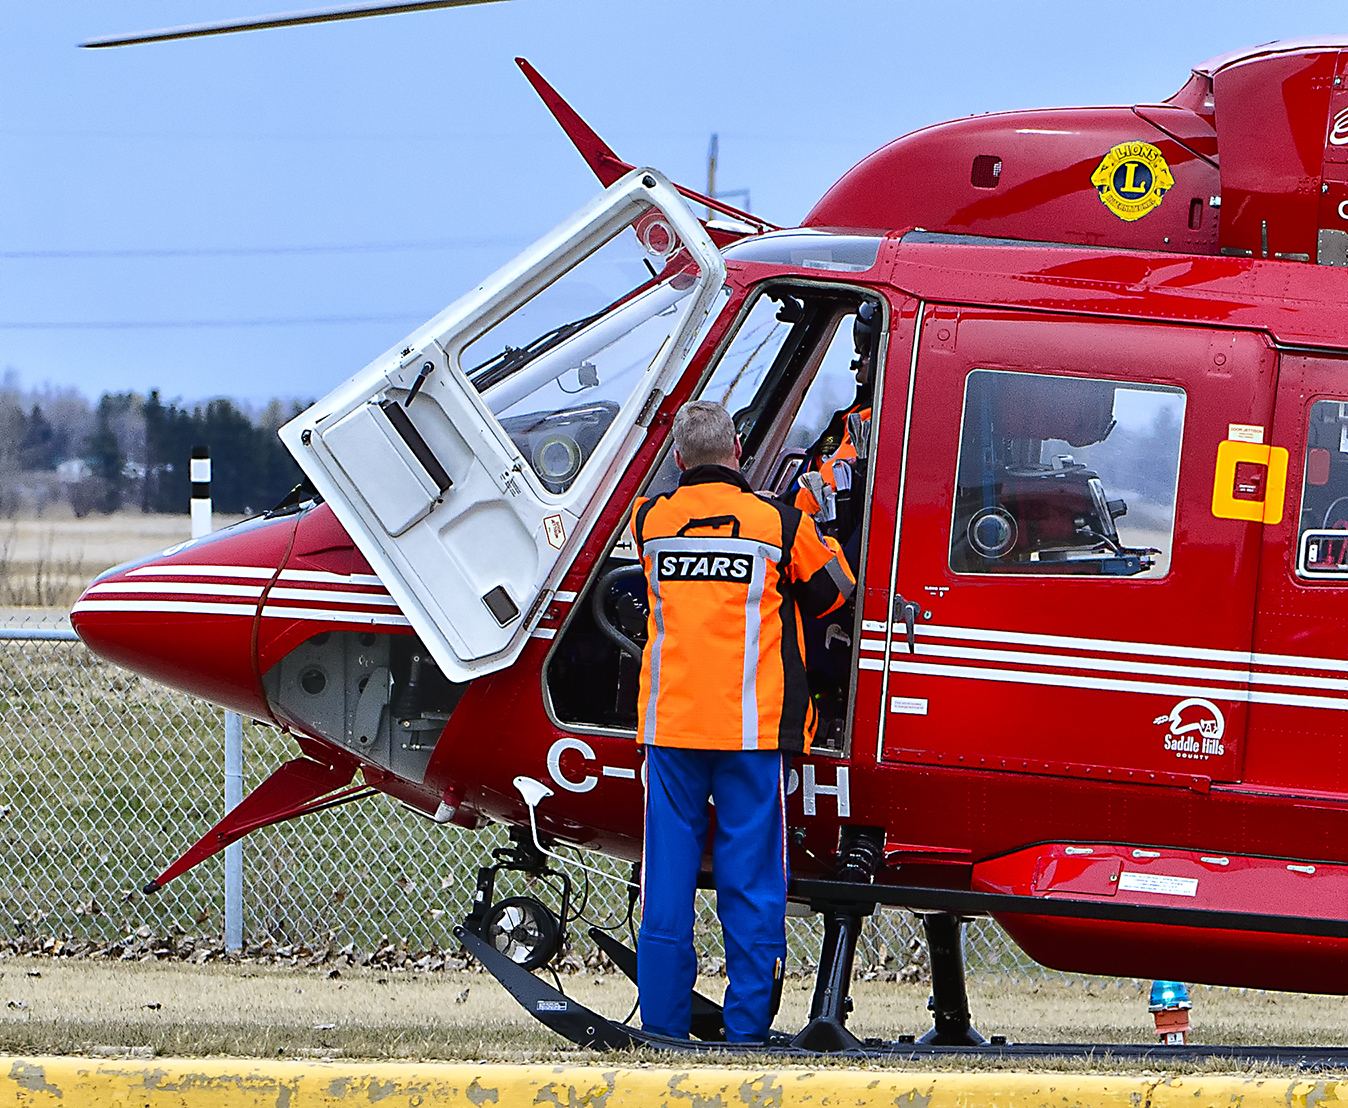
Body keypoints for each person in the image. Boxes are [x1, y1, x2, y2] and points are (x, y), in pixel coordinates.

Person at [630, 400, 855, 1043]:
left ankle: (663, 1026)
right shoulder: (779, 524)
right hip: (753, 732)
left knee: (666, 878)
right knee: (751, 881)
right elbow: (837, 590)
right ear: (736, 451)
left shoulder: (651, 521)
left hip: (670, 727)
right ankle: (748, 1027)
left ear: (677, 459)